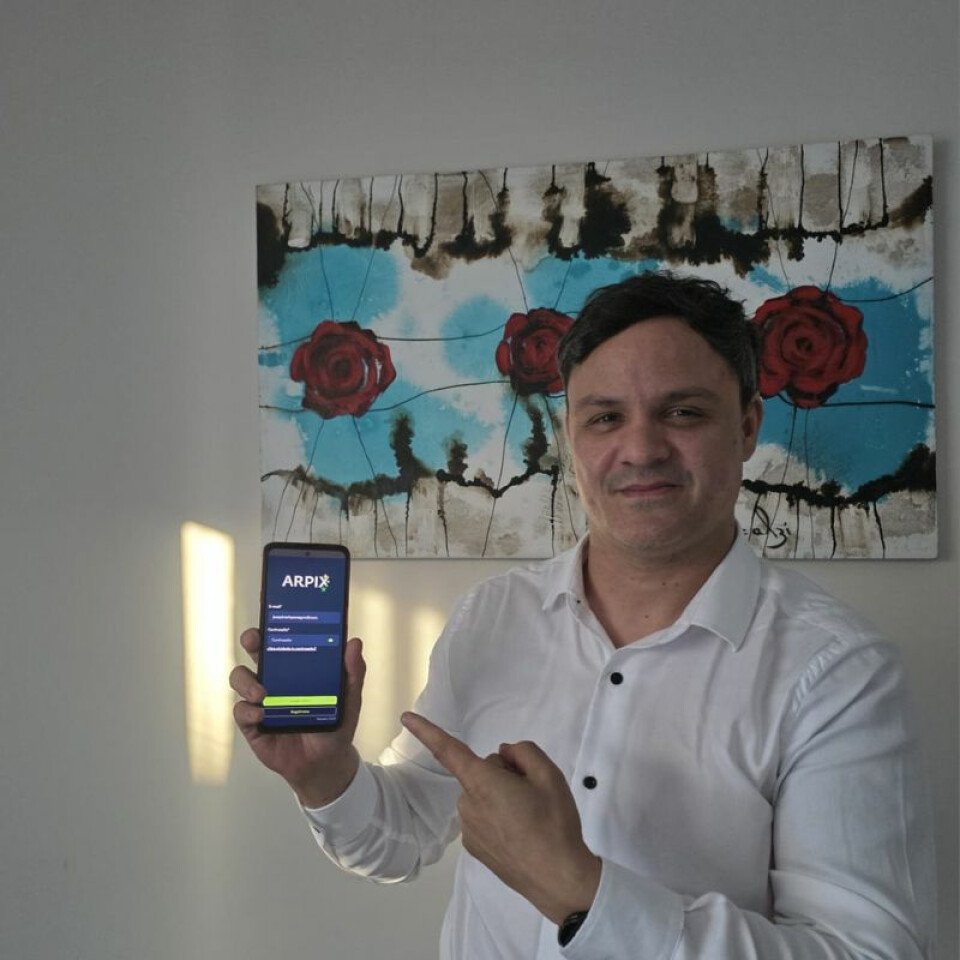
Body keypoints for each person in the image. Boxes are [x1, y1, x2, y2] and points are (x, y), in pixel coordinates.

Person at [231, 271, 935, 959]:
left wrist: (580, 891)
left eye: (683, 412)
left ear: (747, 426)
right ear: (571, 435)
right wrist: (326, 778)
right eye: (605, 418)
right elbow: (404, 834)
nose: (641, 449)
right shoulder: (493, 615)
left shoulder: (836, 671)